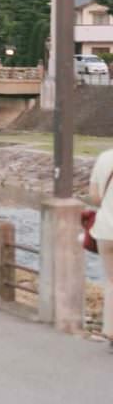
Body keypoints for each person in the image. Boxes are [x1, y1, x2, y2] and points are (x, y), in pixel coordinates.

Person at [88, 146, 113, 350]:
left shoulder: (104, 157)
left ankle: (111, 331)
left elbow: (95, 197)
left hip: (105, 229)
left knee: (112, 282)